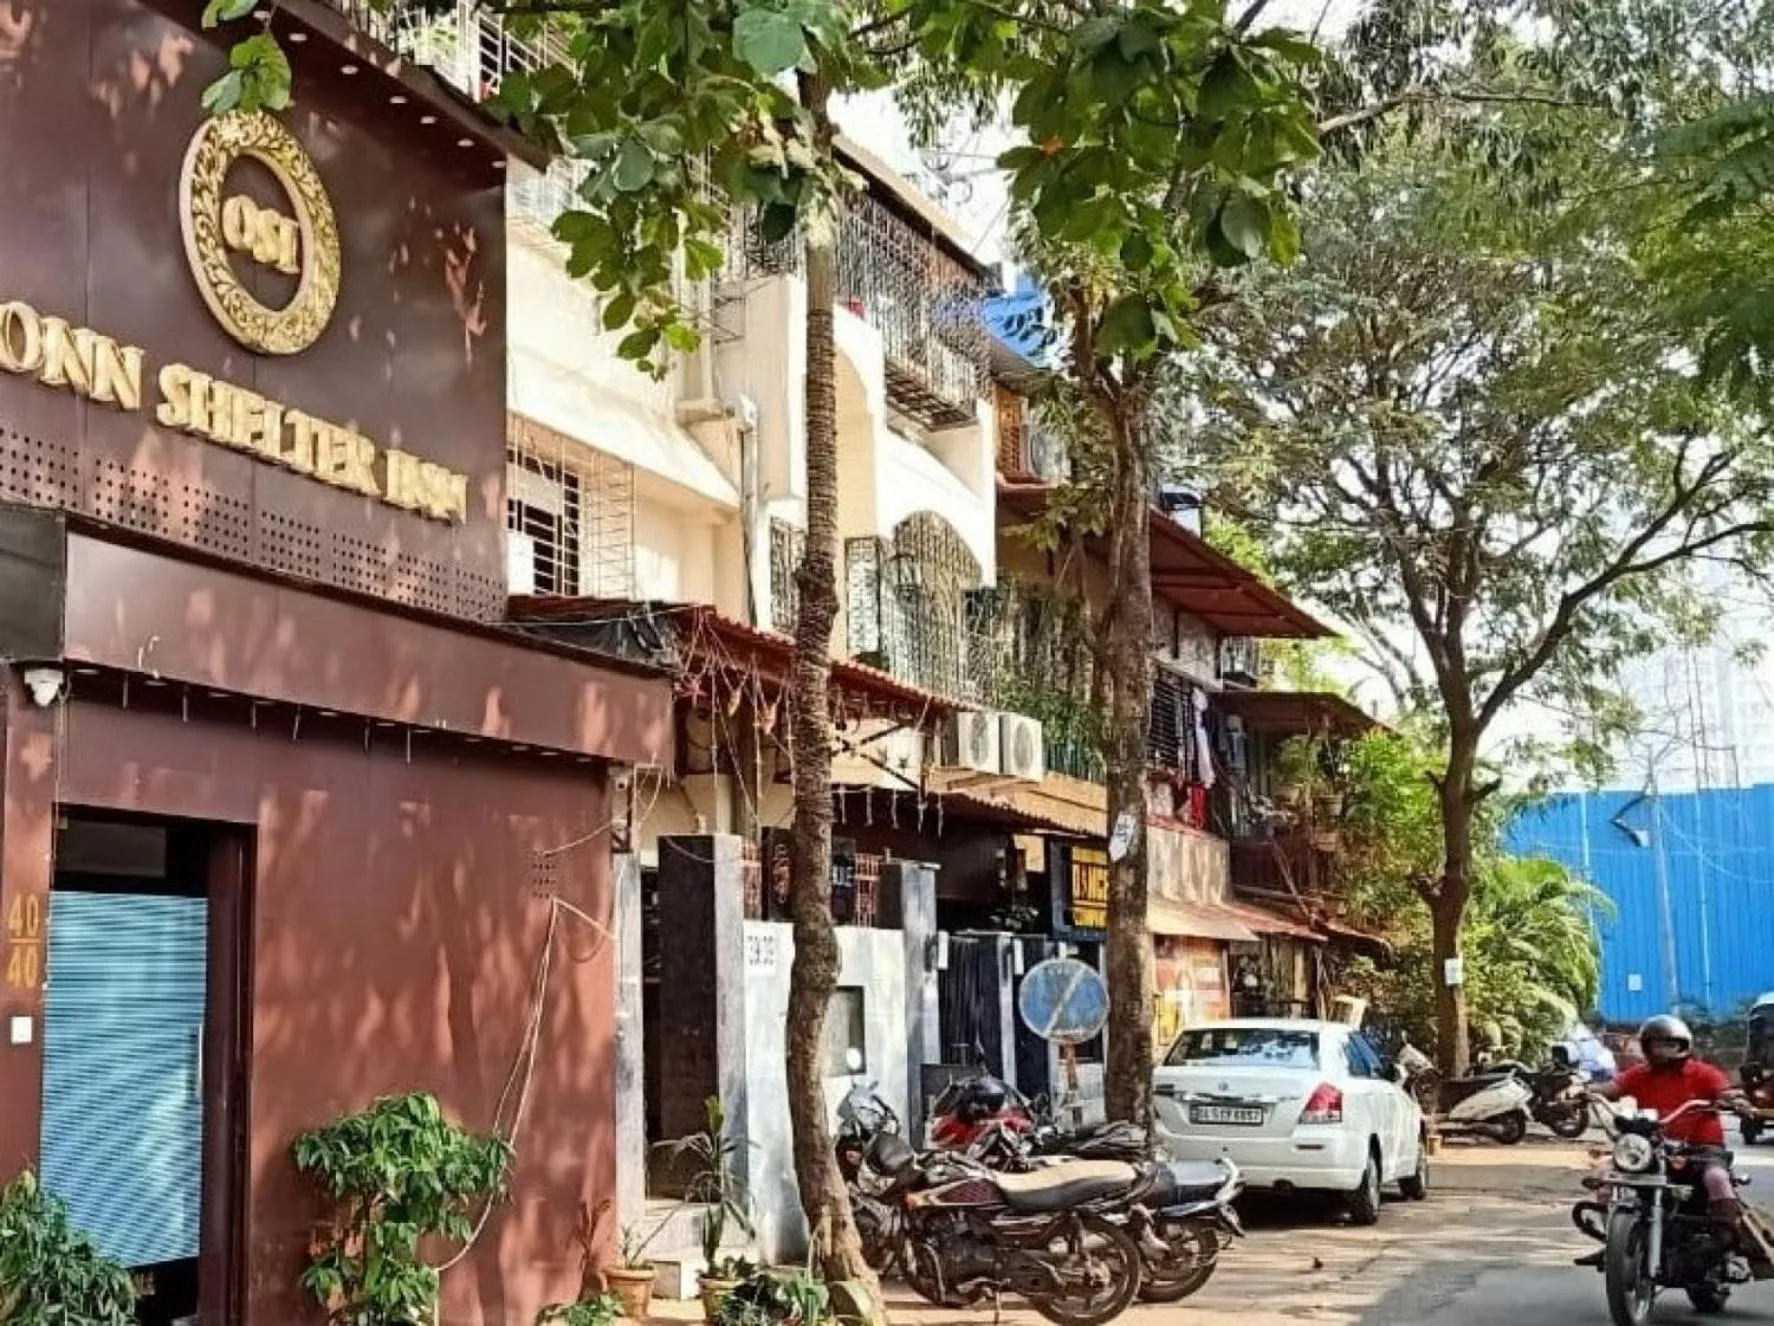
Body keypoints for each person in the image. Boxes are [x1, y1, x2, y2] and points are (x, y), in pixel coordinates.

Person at [1575, 1014, 1763, 1269]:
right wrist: (1585, 1091)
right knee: (1606, 1174)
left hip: (1702, 1149)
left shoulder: (1703, 1073)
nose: (1662, 1050)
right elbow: (1612, 1087)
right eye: (1656, 1045)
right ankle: (1612, 1243)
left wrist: (1736, 1101)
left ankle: (1726, 1239)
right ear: (1647, 1047)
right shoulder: (1640, 1074)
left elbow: (1725, 1092)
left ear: (1683, 1046)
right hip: (1653, 1146)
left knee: (1717, 1179)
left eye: (1669, 1044)